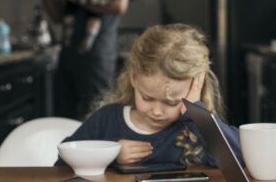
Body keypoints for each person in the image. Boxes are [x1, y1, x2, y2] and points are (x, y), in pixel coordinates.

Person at [62, 23, 241, 167]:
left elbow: (239, 158)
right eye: (147, 98)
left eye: (171, 103)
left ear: (195, 86)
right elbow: (61, 163)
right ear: (133, 77)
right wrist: (109, 154)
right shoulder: (105, 120)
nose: (157, 111)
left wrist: (195, 110)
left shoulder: (197, 128)